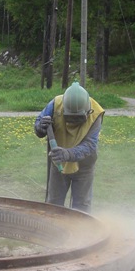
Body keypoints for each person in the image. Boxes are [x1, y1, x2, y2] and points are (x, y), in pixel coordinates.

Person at [34, 81, 105, 213]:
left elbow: (90, 145)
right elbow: (38, 123)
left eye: (78, 119)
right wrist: (40, 128)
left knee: (81, 207)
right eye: (70, 118)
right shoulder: (56, 104)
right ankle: (53, 232)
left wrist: (67, 154)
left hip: (84, 165)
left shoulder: (96, 114)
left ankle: (80, 233)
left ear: (88, 111)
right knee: (54, 204)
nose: (73, 122)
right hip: (58, 162)